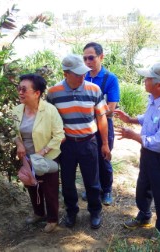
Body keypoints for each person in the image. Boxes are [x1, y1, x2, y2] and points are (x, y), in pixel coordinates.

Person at [114, 62, 160, 232]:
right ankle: (144, 216)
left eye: (148, 78)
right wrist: (131, 119)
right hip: (148, 153)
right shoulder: (155, 98)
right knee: (143, 187)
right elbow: (150, 118)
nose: (144, 80)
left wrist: (134, 136)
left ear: (159, 84)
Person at [47, 54, 111, 229]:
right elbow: (50, 119)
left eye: (83, 72)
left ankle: (95, 211)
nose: (82, 76)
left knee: (92, 180)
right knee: (67, 181)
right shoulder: (53, 93)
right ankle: (71, 212)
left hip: (89, 142)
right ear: (66, 73)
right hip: (66, 145)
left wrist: (105, 143)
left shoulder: (94, 89)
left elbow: (102, 118)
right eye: (77, 73)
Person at [12, 73, 64, 233]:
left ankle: (53, 219)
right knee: (31, 185)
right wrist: (19, 143)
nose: (20, 92)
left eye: (24, 89)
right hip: (26, 158)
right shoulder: (17, 110)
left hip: (46, 157)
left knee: (49, 189)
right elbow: (13, 132)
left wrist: (42, 152)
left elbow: (59, 135)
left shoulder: (50, 110)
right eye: (19, 88)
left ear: (37, 93)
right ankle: (38, 213)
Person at [81, 42, 120, 205]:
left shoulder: (109, 79)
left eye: (91, 58)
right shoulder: (81, 76)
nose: (88, 62)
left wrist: (91, 111)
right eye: (85, 59)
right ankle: (93, 188)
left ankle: (107, 190)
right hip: (86, 127)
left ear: (101, 57)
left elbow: (111, 108)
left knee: (104, 158)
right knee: (90, 159)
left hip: (104, 125)